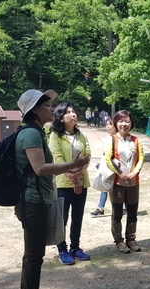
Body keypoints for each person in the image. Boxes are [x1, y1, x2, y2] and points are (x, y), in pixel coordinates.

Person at [15, 89, 90, 289]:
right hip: (32, 201)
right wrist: (70, 166)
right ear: (35, 110)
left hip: (37, 199)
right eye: (47, 106)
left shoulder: (36, 132)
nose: (51, 110)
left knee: (35, 253)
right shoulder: (31, 134)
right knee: (34, 253)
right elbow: (40, 168)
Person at [49, 102, 92, 265]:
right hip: (63, 183)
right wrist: (72, 178)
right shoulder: (55, 136)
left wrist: (79, 175)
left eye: (74, 111)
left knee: (78, 216)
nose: (73, 114)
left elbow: (88, 156)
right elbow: (57, 158)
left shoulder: (81, 135)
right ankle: (62, 250)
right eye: (68, 112)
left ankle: (75, 248)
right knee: (62, 218)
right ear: (61, 118)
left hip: (82, 181)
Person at [104, 110, 145, 253]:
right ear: (116, 123)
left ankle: (131, 239)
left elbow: (141, 158)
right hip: (117, 183)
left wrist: (134, 172)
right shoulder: (112, 139)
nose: (124, 124)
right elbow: (108, 158)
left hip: (133, 182)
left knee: (132, 211)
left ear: (131, 123)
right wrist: (120, 173)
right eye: (121, 121)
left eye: (127, 121)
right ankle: (119, 241)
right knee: (117, 213)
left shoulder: (136, 140)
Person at [91, 116, 117, 216]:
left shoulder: (117, 139)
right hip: (106, 166)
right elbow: (105, 154)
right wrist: (101, 163)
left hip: (114, 167)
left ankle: (122, 207)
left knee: (113, 187)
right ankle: (100, 208)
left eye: (110, 125)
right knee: (105, 186)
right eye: (106, 125)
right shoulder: (108, 139)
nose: (108, 127)